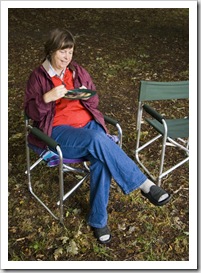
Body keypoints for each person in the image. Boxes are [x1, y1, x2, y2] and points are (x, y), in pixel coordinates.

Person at [24, 28, 171, 244]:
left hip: (89, 125)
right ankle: (144, 184)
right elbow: (29, 113)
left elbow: (94, 102)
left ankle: (98, 221)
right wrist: (46, 97)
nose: (67, 57)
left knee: (101, 158)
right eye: (62, 52)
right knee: (98, 140)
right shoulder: (38, 76)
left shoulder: (77, 71)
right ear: (51, 51)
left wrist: (85, 94)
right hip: (59, 132)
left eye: (70, 52)